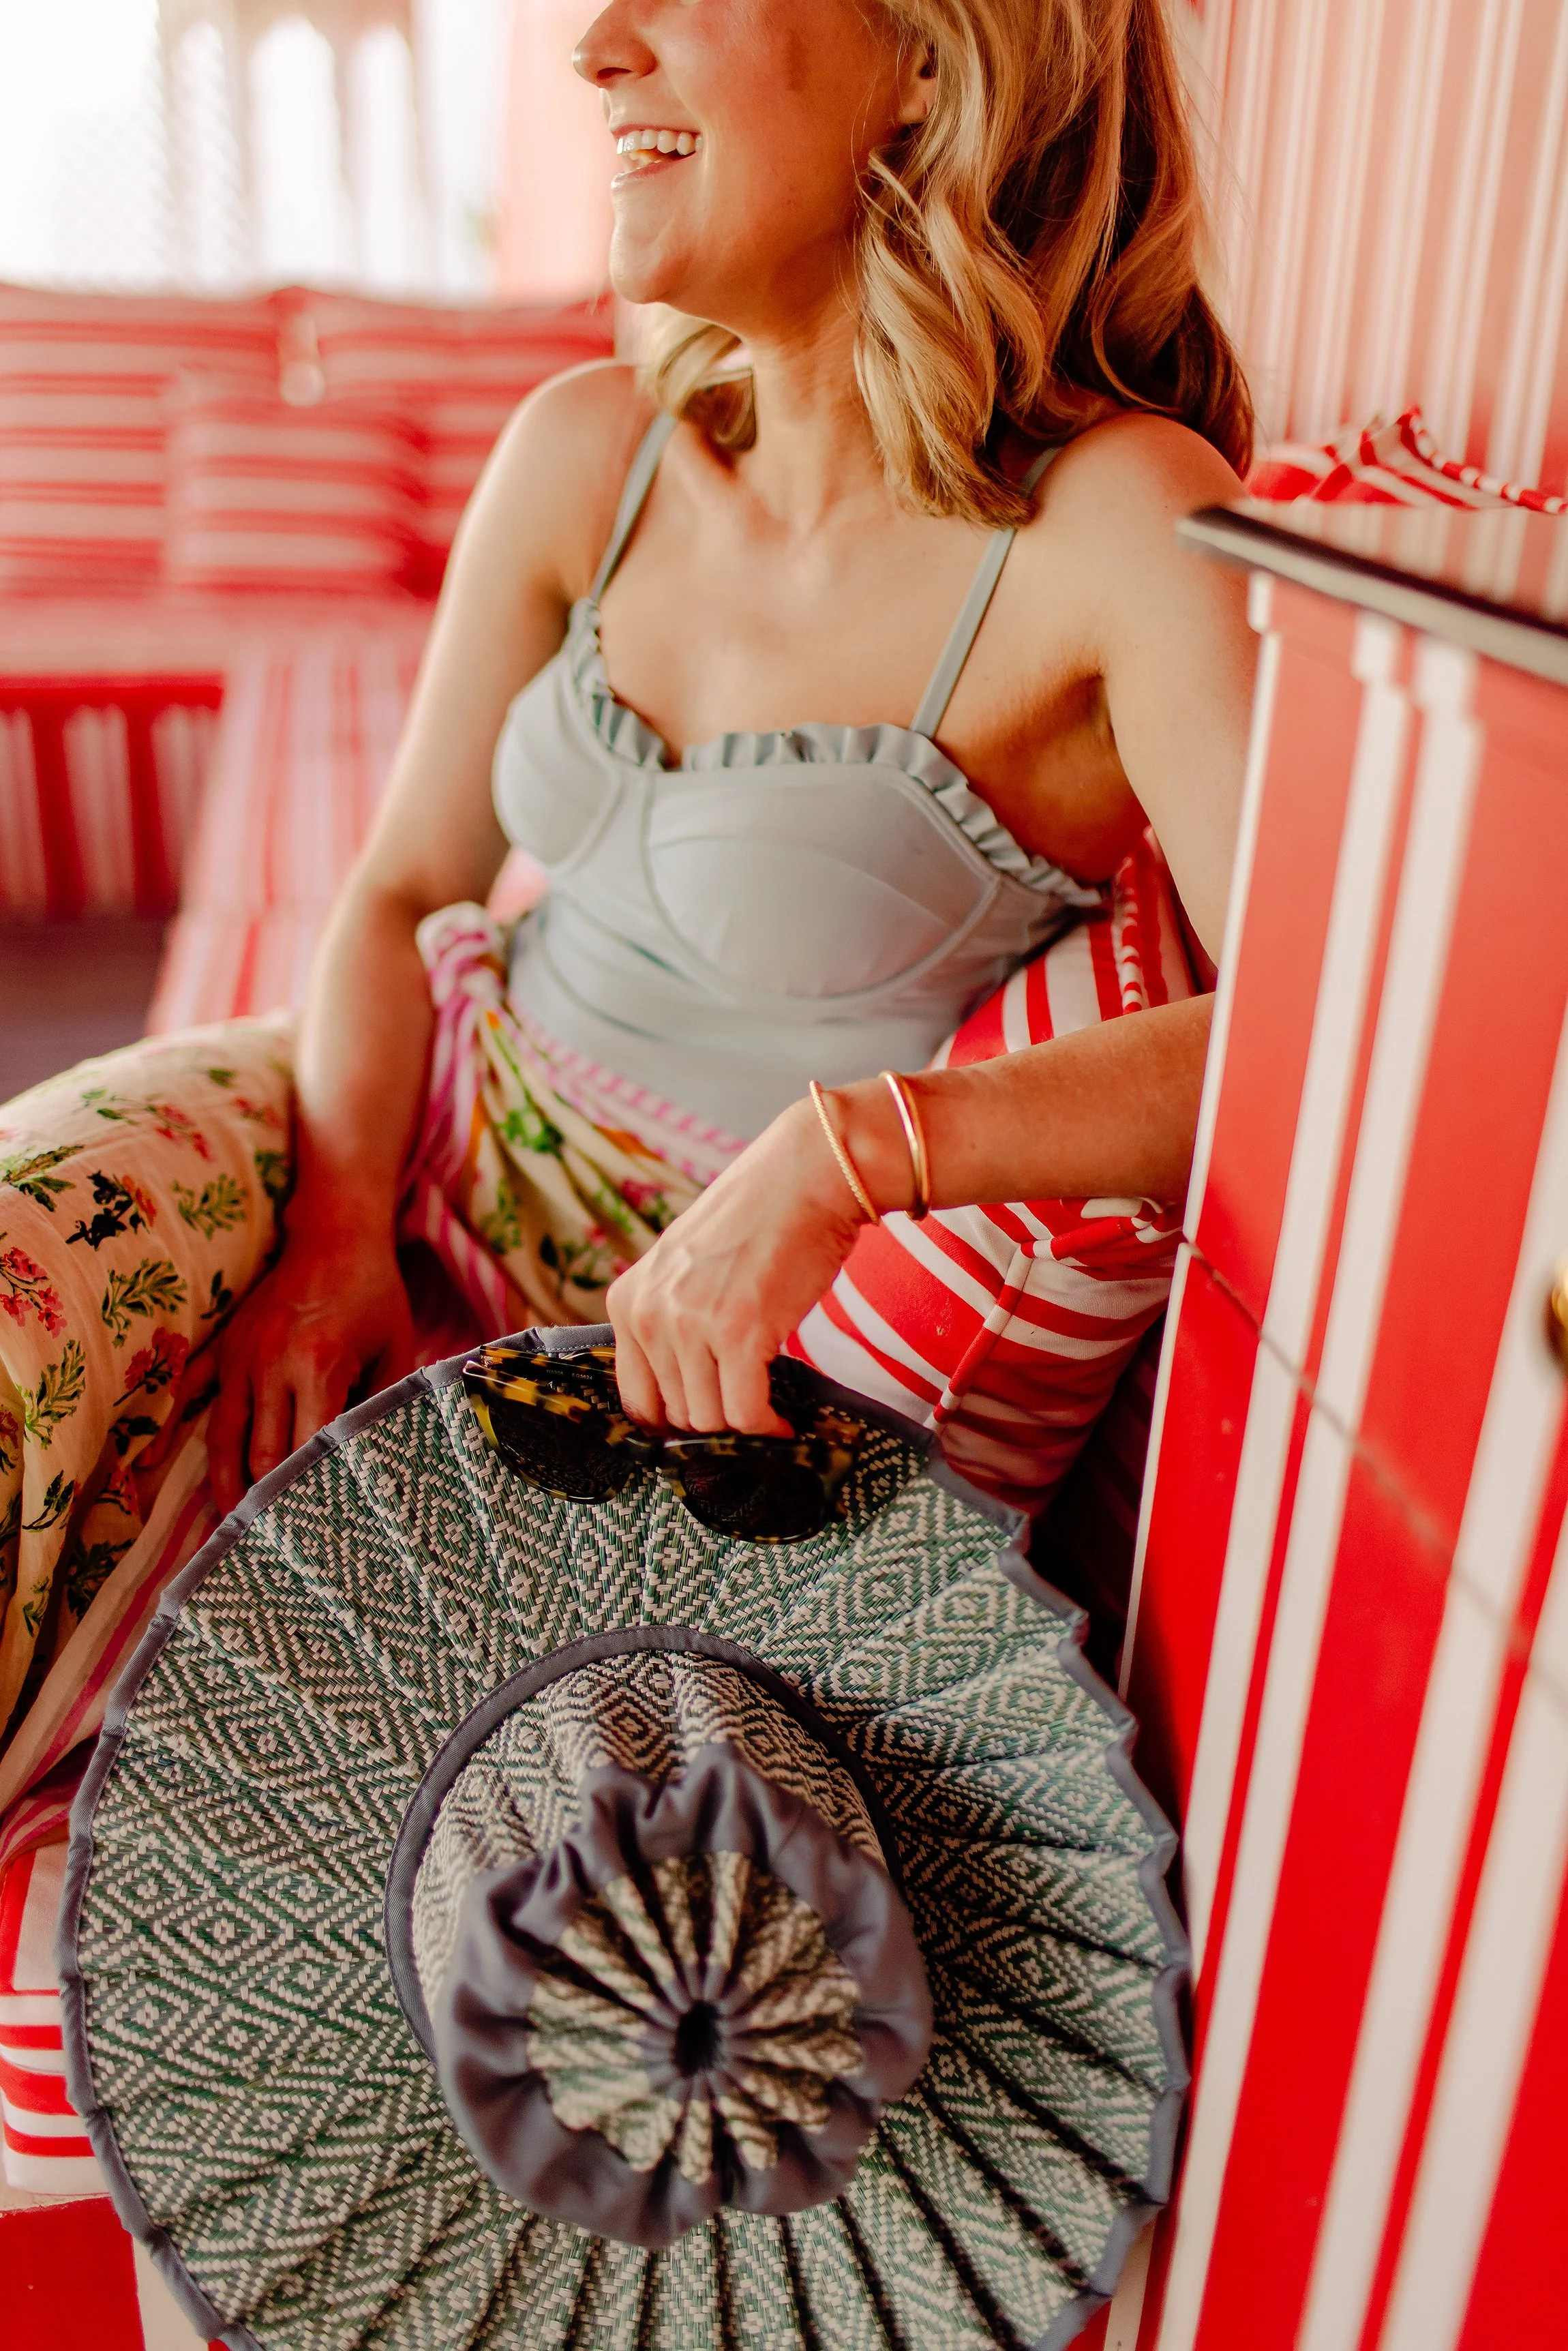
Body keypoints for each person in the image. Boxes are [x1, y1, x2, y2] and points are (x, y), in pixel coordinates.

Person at [0, 0, 1256, 1785]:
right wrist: (340, 1225)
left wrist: (855, 1151)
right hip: (393, 1144)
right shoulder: (588, 447)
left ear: (932, 58)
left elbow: (1314, 1050)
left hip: (652, 1377)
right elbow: (397, 893)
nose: (595, 47)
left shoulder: (1118, 525)